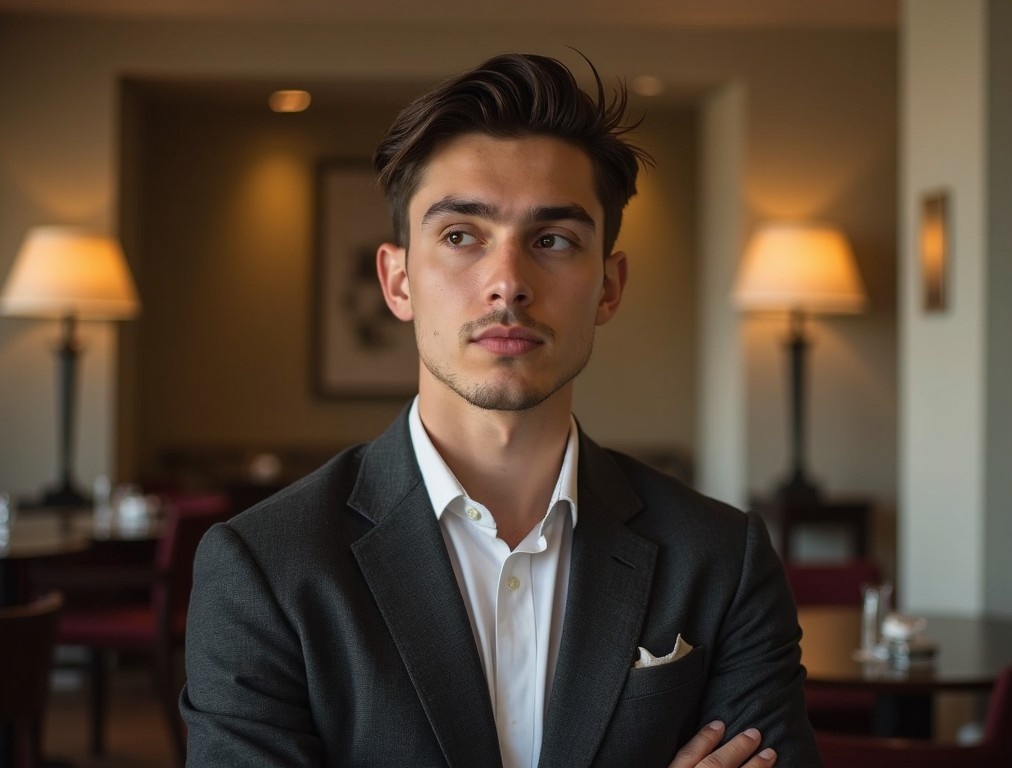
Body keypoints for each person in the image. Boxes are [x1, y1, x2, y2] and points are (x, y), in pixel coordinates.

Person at [180, 52, 823, 768]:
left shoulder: (721, 560)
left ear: (608, 287)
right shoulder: (266, 568)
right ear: (398, 281)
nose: (507, 282)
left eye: (552, 240)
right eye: (461, 236)